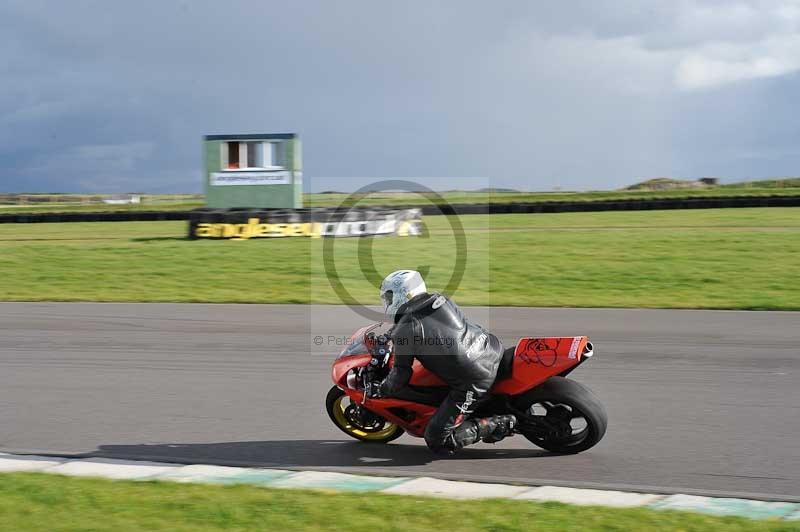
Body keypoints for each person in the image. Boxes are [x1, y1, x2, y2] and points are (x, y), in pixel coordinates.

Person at [377, 270, 517, 455]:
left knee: (437, 440)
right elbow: (432, 328)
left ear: (402, 294)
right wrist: (392, 334)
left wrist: (382, 389)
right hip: (491, 348)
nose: (387, 302)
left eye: (389, 297)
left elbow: (401, 375)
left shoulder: (406, 330)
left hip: (474, 379)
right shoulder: (439, 300)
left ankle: (499, 423)